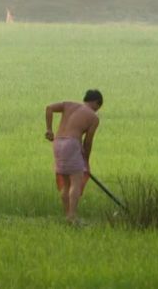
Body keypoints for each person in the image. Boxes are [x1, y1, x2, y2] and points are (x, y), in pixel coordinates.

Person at [45, 89, 102, 224]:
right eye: (98, 107)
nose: (97, 110)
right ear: (96, 103)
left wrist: (49, 129)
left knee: (66, 184)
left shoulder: (69, 105)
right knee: (75, 182)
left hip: (58, 143)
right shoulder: (93, 118)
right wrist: (86, 161)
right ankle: (72, 216)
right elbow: (87, 142)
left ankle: (68, 216)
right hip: (72, 143)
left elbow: (49, 108)